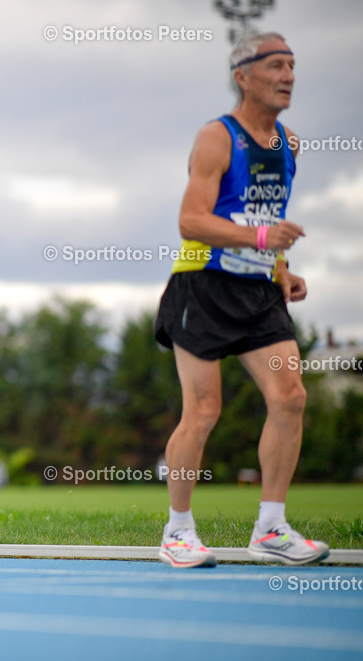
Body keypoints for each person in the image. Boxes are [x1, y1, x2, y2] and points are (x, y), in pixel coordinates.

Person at [153, 32, 329, 568]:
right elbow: (191, 221)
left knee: (290, 396)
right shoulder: (217, 137)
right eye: (276, 66)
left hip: (258, 292)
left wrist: (281, 269)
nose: (288, 76)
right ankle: (177, 532)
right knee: (204, 410)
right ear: (243, 76)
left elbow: (266, 217)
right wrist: (260, 239)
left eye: (292, 66)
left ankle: (271, 527)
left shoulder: (288, 144)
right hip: (203, 287)